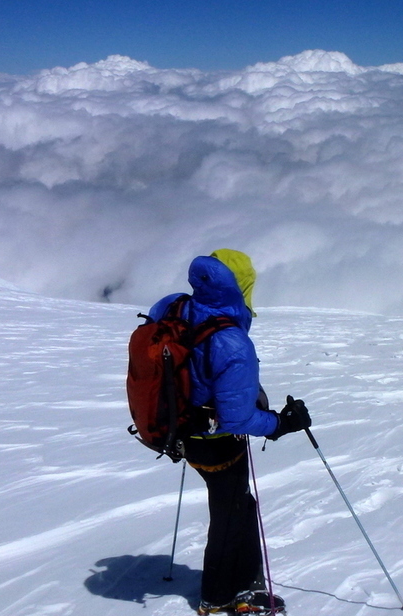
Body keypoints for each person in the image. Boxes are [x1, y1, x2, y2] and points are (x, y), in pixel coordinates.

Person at [148, 248, 311, 615]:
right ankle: (221, 594)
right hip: (217, 443)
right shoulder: (233, 343)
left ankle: (236, 583)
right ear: (242, 287)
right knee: (231, 510)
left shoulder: (173, 306)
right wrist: (281, 424)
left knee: (235, 504)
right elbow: (236, 419)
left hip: (181, 432)